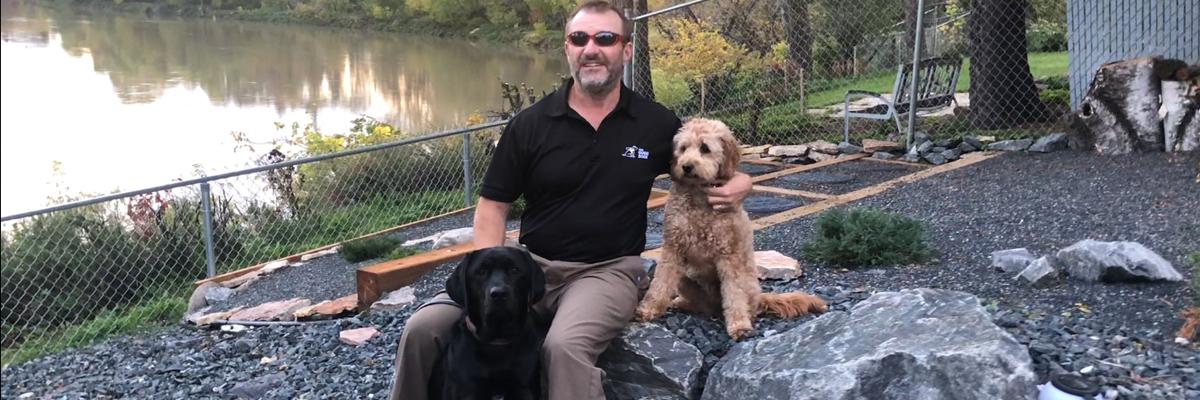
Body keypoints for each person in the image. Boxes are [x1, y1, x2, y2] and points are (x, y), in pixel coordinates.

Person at [389, 1, 752, 399]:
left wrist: (742, 182)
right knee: (422, 329)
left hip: (606, 271)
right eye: (579, 38)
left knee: (562, 348)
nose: (590, 48)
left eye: (605, 38)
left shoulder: (656, 124)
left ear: (626, 50)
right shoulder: (529, 125)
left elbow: (702, 163)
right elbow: (493, 208)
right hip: (531, 265)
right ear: (567, 48)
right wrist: (492, 273)